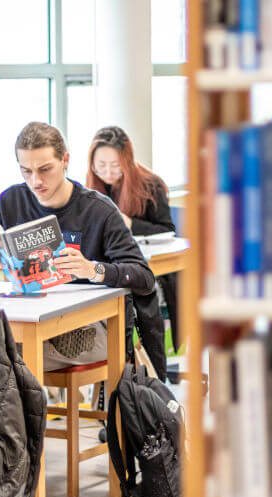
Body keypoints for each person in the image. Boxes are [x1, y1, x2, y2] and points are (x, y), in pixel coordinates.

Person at [0, 121, 159, 374]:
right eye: (26, 171)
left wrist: (92, 269)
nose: (36, 181)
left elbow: (144, 277)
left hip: (89, 328)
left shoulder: (98, 210)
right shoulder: (11, 201)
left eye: (45, 169)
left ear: (65, 160)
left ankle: (24, 412)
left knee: (2, 359)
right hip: (31, 319)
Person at [87, 125, 180, 358]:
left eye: (115, 165)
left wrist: (129, 224)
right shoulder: (91, 190)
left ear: (127, 161)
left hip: (152, 268)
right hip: (112, 267)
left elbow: (167, 229)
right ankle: (107, 357)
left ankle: (141, 362)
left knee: (137, 294)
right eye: (101, 166)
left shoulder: (150, 185)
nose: (108, 172)